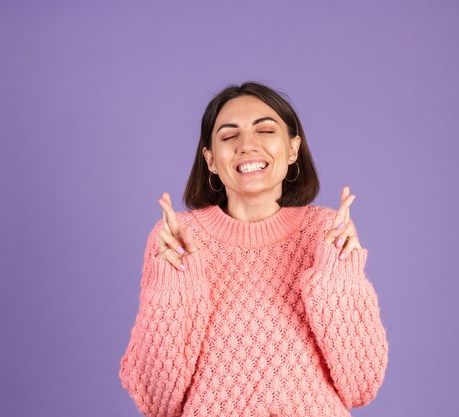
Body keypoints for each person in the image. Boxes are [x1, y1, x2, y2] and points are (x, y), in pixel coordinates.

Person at [119, 81, 389, 417]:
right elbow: (156, 399)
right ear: (211, 159)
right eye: (229, 136)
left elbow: (361, 384)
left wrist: (337, 277)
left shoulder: (326, 231)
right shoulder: (177, 238)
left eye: (265, 130)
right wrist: (176, 285)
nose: (248, 145)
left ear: (292, 149)